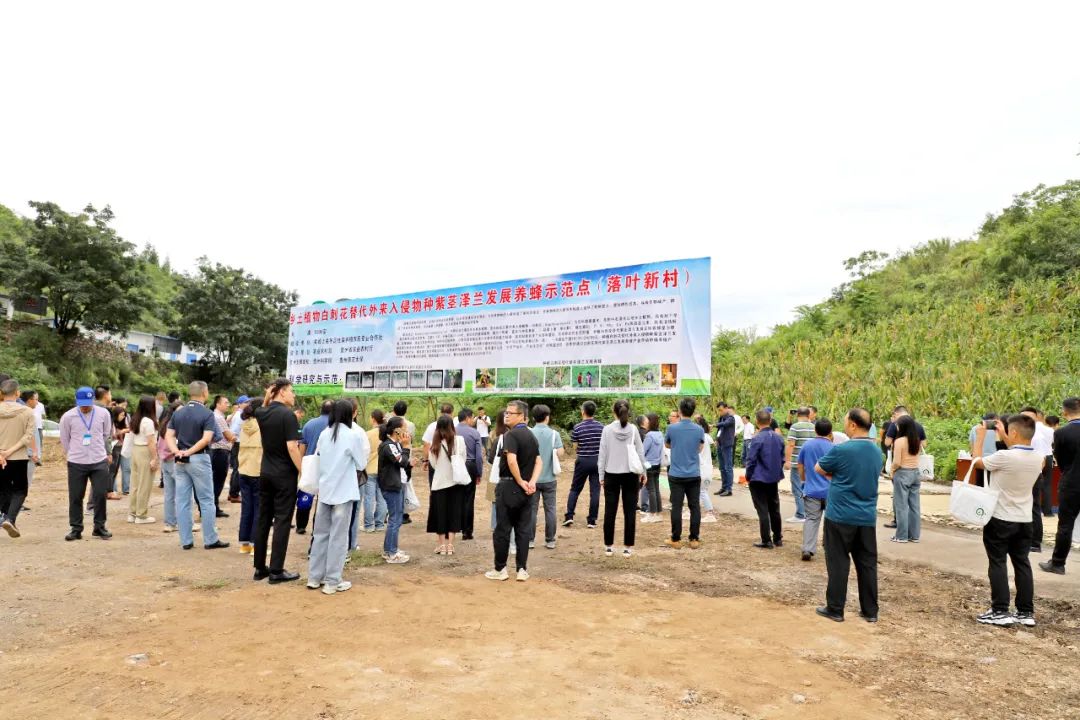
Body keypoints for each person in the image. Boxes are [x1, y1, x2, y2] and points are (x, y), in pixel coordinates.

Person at [969, 414, 1042, 626]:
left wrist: (981, 436)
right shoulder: (1038, 459)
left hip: (1000, 517)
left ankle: (1000, 610)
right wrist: (1003, 433)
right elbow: (1016, 449)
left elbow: (976, 461)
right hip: (1024, 519)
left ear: (1015, 432)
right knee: (1022, 563)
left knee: (998, 562)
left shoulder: (1004, 457)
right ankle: (1025, 612)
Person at [814, 408, 881, 623]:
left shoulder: (842, 450)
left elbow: (818, 468)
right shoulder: (876, 452)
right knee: (867, 564)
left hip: (840, 515)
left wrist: (839, 475)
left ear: (853, 424)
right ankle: (870, 611)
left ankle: (835, 608)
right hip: (866, 516)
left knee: (838, 562)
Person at [306, 400, 367, 595]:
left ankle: (315, 577)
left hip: (325, 491)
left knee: (320, 535)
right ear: (351, 415)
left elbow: (318, 457)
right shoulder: (353, 435)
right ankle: (333, 581)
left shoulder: (325, 434)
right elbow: (361, 463)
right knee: (338, 537)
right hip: (344, 492)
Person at [166, 382, 230, 552]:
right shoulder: (207, 413)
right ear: (204, 392)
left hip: (180, 460)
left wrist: (178, 451)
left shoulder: (179, 413)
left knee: (182, 500)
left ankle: (186, 540)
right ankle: (210, 539)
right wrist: (190, 452)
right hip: (199, 458)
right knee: (207, 500)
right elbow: (207, 438)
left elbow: (169, 435)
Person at [252, 379, 303, 582]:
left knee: (264, 519)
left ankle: (259, 567)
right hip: (284, 475)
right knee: (282, 520)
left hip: (265, 473)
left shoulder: (262, 413)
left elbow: (263, 407)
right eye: (291, 391)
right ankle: (276, 570)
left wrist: (268, 395)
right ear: (281, 393)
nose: (293, 395)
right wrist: (302, 471)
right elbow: (292, 447)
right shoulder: (288, 416)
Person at [487, 400, 540, 581]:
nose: (506, 415)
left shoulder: (511, 435)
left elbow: (511, 460)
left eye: (511, 413)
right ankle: (522, 569)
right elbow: (539, 462)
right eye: (506, 413)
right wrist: (530, 482)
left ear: (522, 416)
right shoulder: (532, 436)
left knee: (502, 529)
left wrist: (520, 481)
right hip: (526, 490)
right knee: (523, 530)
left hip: (509, 486)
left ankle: (500, 569)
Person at [61, 387, 114, 541]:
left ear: (93, 401)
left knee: (99, 495)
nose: (85, 407)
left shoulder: (103, 414)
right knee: (76, 496)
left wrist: (105, 452)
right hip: (77, 461)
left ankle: (99, 527)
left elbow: (106, 434)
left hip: (98, 460)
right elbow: (65, 439)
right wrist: (73, 453)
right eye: (82, 404)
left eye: (87, 404)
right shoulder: (68, 416)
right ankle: (76, 528)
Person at [598, 399, 647, 557]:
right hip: (631, 474)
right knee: (630, 511)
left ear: (614, 412)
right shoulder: (633, 429)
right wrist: (643, 472)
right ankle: (628, 547)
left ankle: (608, 546)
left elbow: (602, 454)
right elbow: (640, 452)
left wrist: (601, 475)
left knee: (609, 511)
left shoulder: (606, 429)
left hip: (611, 474)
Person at [1040, 397, 1080, 575]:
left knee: (1065, 525)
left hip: (1071, 483)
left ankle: (1058, 563)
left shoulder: (1061, 433)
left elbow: (1061, 461)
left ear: (1064, 413)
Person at [664, 398, 706, 550]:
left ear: (680, 411)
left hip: (676, 474)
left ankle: (675, 538)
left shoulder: (672, 428)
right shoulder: (699, 429)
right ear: (693, 411)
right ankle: (694, 538)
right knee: (694, 506)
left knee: (676, 506)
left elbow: (667, 444)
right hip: (694, 473)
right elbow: (700, 448)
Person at [426, 414, 468, 555]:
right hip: (456, 482)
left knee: (440, 514)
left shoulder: (435, 444)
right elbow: (463, 458)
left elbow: (433, 464)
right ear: (452, 426)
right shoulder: (460, 441)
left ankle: (441, 545)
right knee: (454, 513)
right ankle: (450, 545)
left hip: (439, 483)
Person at [745, 409, 785, 549]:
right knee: (774, 507)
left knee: (762, 509)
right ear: (770, 420)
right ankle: (778, 538)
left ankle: (766, 539)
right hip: (773, 478)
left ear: (757, 422)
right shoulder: (778, 437)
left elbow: (751, 460)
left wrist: (748, 476)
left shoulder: (757, 438)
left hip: (758, 478)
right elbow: (782, 458)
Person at [0, 379, 35, 537]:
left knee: (4, 489)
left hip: (0, 458)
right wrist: (11, 451)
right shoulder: (27, 412)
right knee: (20, 490)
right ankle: (10, 518)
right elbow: (28, 437)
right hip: (19, 457)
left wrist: (2, 453)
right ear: (17, 393)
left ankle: (5, 517)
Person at [883, 406, 926, 529]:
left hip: (900, 467)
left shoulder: (895, 425)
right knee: (914, 503)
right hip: (914, 468)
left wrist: (892, 470)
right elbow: (924, 444)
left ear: (897, 414)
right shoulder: (917, 425)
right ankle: (913, 530)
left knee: (899, 498)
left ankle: (899, 525)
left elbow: (886, 443)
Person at [798, 418, 834, 561]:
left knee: (812, 519)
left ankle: (807, 549)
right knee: (831, 520)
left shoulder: (807, 445)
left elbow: (800, 465)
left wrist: (804, 479)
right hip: (830, 491)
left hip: (811, 489)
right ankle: (829, 546)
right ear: (830, 432)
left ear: (815, 430)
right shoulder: (833, 447)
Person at [377, 415, 412, 564]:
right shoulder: (388, 445)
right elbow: (401, 462)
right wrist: (406, 448)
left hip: (395, 484)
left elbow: (403, 463)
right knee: (394, 519)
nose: (407, 431)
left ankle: (391, 549)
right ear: (397, 430)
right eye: (404, 427)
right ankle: (391, 552)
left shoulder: (393, 444)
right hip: (391, 486)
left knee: (396, 518)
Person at [563, 401, 603, 529]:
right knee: (595, 491)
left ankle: (569, 516)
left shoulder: (578, 427)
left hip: (583, 460)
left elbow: (575, 446)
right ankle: (592, 520)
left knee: (575, 489)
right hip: (597, 461)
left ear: (583, 411)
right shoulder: (601, 427)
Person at [529, 404, 563, 550]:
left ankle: (530, 540)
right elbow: (560, 453)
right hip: (550, 478)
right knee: (550, 509)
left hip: (532, 479)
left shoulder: (529, 433)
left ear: (533, 418)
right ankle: (550, 540)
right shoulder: (554, 434)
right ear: (547, 417)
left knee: (531, 510)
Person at [296, 400, 333, 535]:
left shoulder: (309, 424)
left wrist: (301, 468)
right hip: (327, 467)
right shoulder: (334, 425)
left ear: (321, 410)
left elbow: (302, 447)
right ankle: (317, 527)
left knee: (306, 494)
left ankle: (301, 525)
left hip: (310, 466)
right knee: (323, 500)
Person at [1022, 406, 1056, 534]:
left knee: (1036, 492)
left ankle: (1034, 536)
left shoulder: (1033, 431)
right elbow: (1053, 443)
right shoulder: (1048, 430)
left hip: (1038, 460)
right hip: (1048, 457)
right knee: (1047, 485)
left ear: (1037, 416)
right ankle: (1048, 511)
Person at [126, 395, 159, 525]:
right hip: (145, 451)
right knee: (145, 484)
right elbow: (151, 442)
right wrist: (155, 458)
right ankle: (141, 515)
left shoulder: (135, 419)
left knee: (134, 484)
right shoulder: (149, 422)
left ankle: (132, 513)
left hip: (135, 450)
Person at [889, 415, 922, 543]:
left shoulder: (899, 441)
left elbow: (897, 462)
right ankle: (914, 536)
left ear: (902, 426)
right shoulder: (917, 439)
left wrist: (892, 471)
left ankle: (901, 535)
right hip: (915, 473)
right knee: (915, 506)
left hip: (902, 473)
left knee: (901, 505)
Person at [236, 398, 263, 553]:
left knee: (247, 508)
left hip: (243, 470)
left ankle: (244, 544)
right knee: (259, 509)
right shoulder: (262, 426)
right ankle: (256, 545)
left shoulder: (244, 425)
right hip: (258, 470)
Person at [456, 407, 483, 541]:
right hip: (470, 465)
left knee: (455, 497)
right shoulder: (474, 433)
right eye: (472, 418)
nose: (473, 420)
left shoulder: (451, 430)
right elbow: (478, 456)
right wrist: (479, 473)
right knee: (468, 499)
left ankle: (455, 527)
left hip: (454, 466)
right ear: (467, 418)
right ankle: (467, 532)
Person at [784, 408, 815, 522]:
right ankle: (809, 512)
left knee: (797, 487)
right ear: (808, 415)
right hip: (810, 463)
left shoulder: (795, 427)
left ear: (798, 414)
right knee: (808, 487)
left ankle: (800, 514)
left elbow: (791, 445)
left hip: (797, 463)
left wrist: (787, 461)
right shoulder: (813, 427)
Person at [361, 409, 388, 535]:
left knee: (369, 498)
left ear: (373, 419)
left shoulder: (368, 434)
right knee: (382, 498)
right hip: (384, 469)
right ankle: (380, 523)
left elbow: (364, 452)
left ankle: (369, 525)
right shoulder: (388, 433)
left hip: (370, 468)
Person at [157, 401, 182, 533]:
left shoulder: (164, 424)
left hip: (165, 461)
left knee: (169, 494)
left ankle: (169, 523)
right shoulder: (175, 425)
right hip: (173, 460)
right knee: (181, 494)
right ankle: (182, 522)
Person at [391, 401, 417, 524]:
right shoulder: (410, 425)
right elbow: (412, 440)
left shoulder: (390, 423)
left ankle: (392, 512)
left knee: (393, 483)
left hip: (393, 456)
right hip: (407, 457)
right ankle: (404, 513)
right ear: (406, 411)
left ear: (393, 410)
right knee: (405, 483)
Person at [423, 402, 455, 487]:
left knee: (434, 486)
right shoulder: (455, 425)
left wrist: (426, 460)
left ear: (440, 413)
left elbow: (426, 444)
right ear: (452, 413)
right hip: (451, 461)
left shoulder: (432, 426)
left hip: (435, 459)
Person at [694, 416, 720, 523]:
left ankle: (710, 512)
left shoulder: (698, 437)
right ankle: (697, 510)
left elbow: (697, 453)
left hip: (702, 468)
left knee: (702, 491)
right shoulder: (707, 436)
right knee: (700, 491)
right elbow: (712, 442)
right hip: (708, 468)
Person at [226, 394, 250, 504]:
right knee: (238, 469)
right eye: (245, 402)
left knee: (237, 469)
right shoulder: (240, 416)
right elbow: (234, 432)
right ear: (239, 404)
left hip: (239, 444)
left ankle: (232, 493)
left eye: (248, 402)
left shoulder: (241, 414)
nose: (248, 404)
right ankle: (234, 494)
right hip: (238, 444)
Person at [641, 413, 664, 523]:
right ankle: (658, 513)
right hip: (657, 464)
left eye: (646, 420)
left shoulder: (649, 435)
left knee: (651, 490)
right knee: (656, 489)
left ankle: (652, 514)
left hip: (649, 465)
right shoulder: (660, 434)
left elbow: (643, 451)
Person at [969, 413, 999, 487]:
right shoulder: (998, 429)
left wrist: (973, 456)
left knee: (980, 484)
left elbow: (972, 447)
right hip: (994, 461)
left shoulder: (975, 428)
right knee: (992, 485)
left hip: (979, 460)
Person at [109, 406, 131, 497]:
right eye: (121, 415)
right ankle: (112, 490)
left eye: (124, 415)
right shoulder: (111, 423)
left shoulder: (123, 423)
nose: (123, 417)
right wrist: (122, 431)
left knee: (122, 468)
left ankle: (124, 489)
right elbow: (111, 436)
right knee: (113, 470)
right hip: (114, 448)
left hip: (122, 447)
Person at [715, 403, 737, 496]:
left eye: (721, 410)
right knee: (722, 467)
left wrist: (715, 425)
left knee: (728, 467)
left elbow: (725, 424)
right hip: (720, 444)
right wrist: (716, 439)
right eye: (718, 410)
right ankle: (723, 487)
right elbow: (719, 431)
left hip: (727, 445)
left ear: (726, 408)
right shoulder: (721, 418)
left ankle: (729, 489)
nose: (720, 412)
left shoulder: (731, 418)